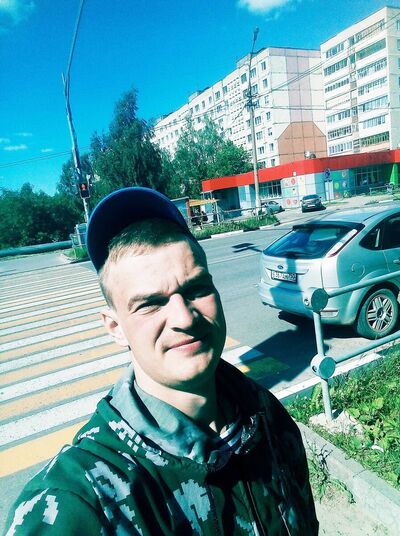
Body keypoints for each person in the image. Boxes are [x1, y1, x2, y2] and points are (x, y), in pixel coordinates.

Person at [4, 187, 318, 535]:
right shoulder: (78, 505)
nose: (184, 318)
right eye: (150, 304)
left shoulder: (264, 415)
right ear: (115, 328)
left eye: (197, 289)